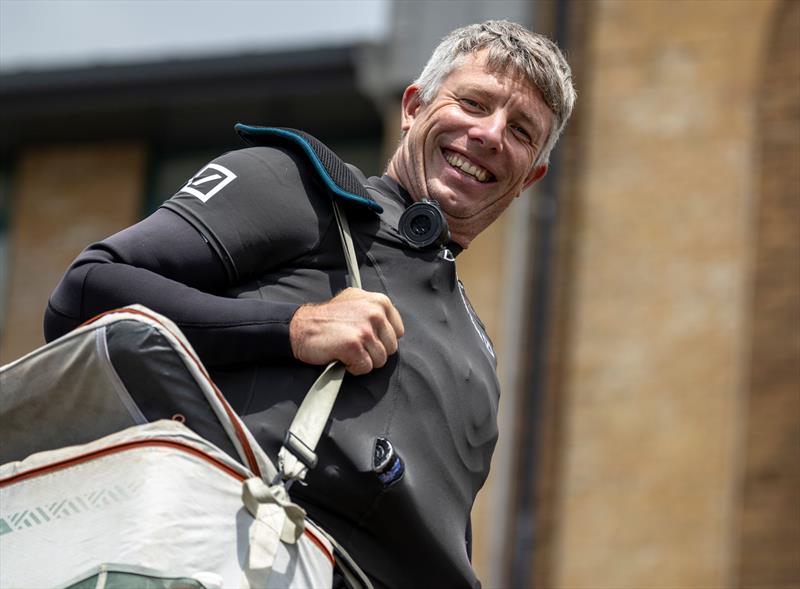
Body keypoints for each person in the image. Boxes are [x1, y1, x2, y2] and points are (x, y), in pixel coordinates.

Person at [44, 20, 575, 588]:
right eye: (473, 103)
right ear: (414, 107)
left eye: (521, 131)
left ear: (530, 178)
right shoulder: (298, 186)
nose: (491, 134)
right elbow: (87, 292)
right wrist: (292, 327)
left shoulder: (481, 359)